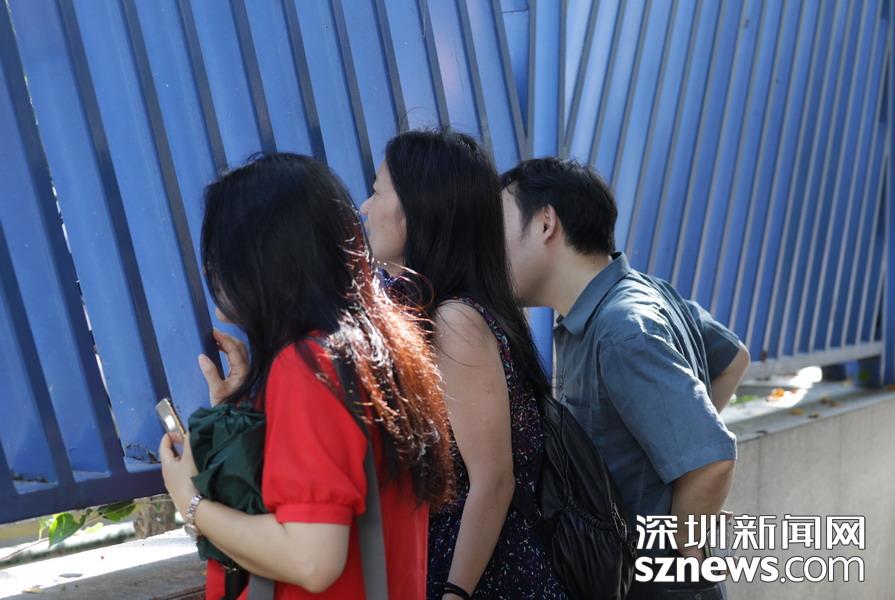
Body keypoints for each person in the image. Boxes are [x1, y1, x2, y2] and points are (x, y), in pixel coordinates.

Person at [159, 153, 454, 600]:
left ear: (265, 258)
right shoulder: (375, 345)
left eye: (221, 253)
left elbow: (312, 560)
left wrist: (192, 503)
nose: (208, 271)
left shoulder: (307, 365)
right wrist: (242, 418)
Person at [499, 157, 750, 600]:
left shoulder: (621, 329)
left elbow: (711, 461)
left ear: (545, 223)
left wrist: (682, 549)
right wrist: (670, 440)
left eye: (497, 229)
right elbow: (733, 358)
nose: (489, 251)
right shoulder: (642, 294)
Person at [360, 129, 567, 600]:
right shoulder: (427, 313)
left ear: (418, 210)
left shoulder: (455, 321)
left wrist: (455, 593)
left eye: (376, 191)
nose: (365, 207)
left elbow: (493, 479)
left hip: (485, 579)